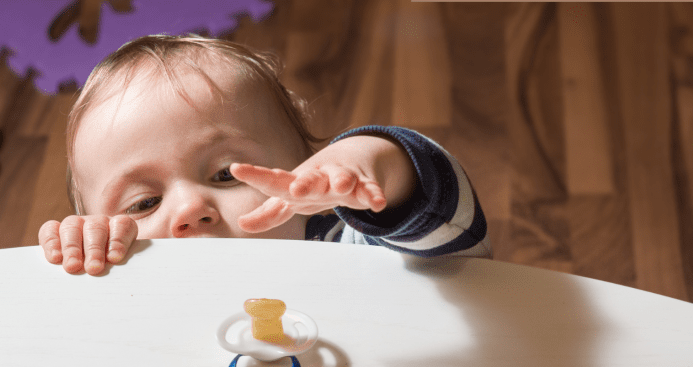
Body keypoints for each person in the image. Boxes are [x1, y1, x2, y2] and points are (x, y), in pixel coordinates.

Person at [38, 35, 490, 275]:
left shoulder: (347, 251)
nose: (190, 210)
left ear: (300, 169)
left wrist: (370, 163)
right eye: (143, 204)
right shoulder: (119, 279)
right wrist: (80, 260)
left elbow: (445, 227)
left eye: (224, 175)